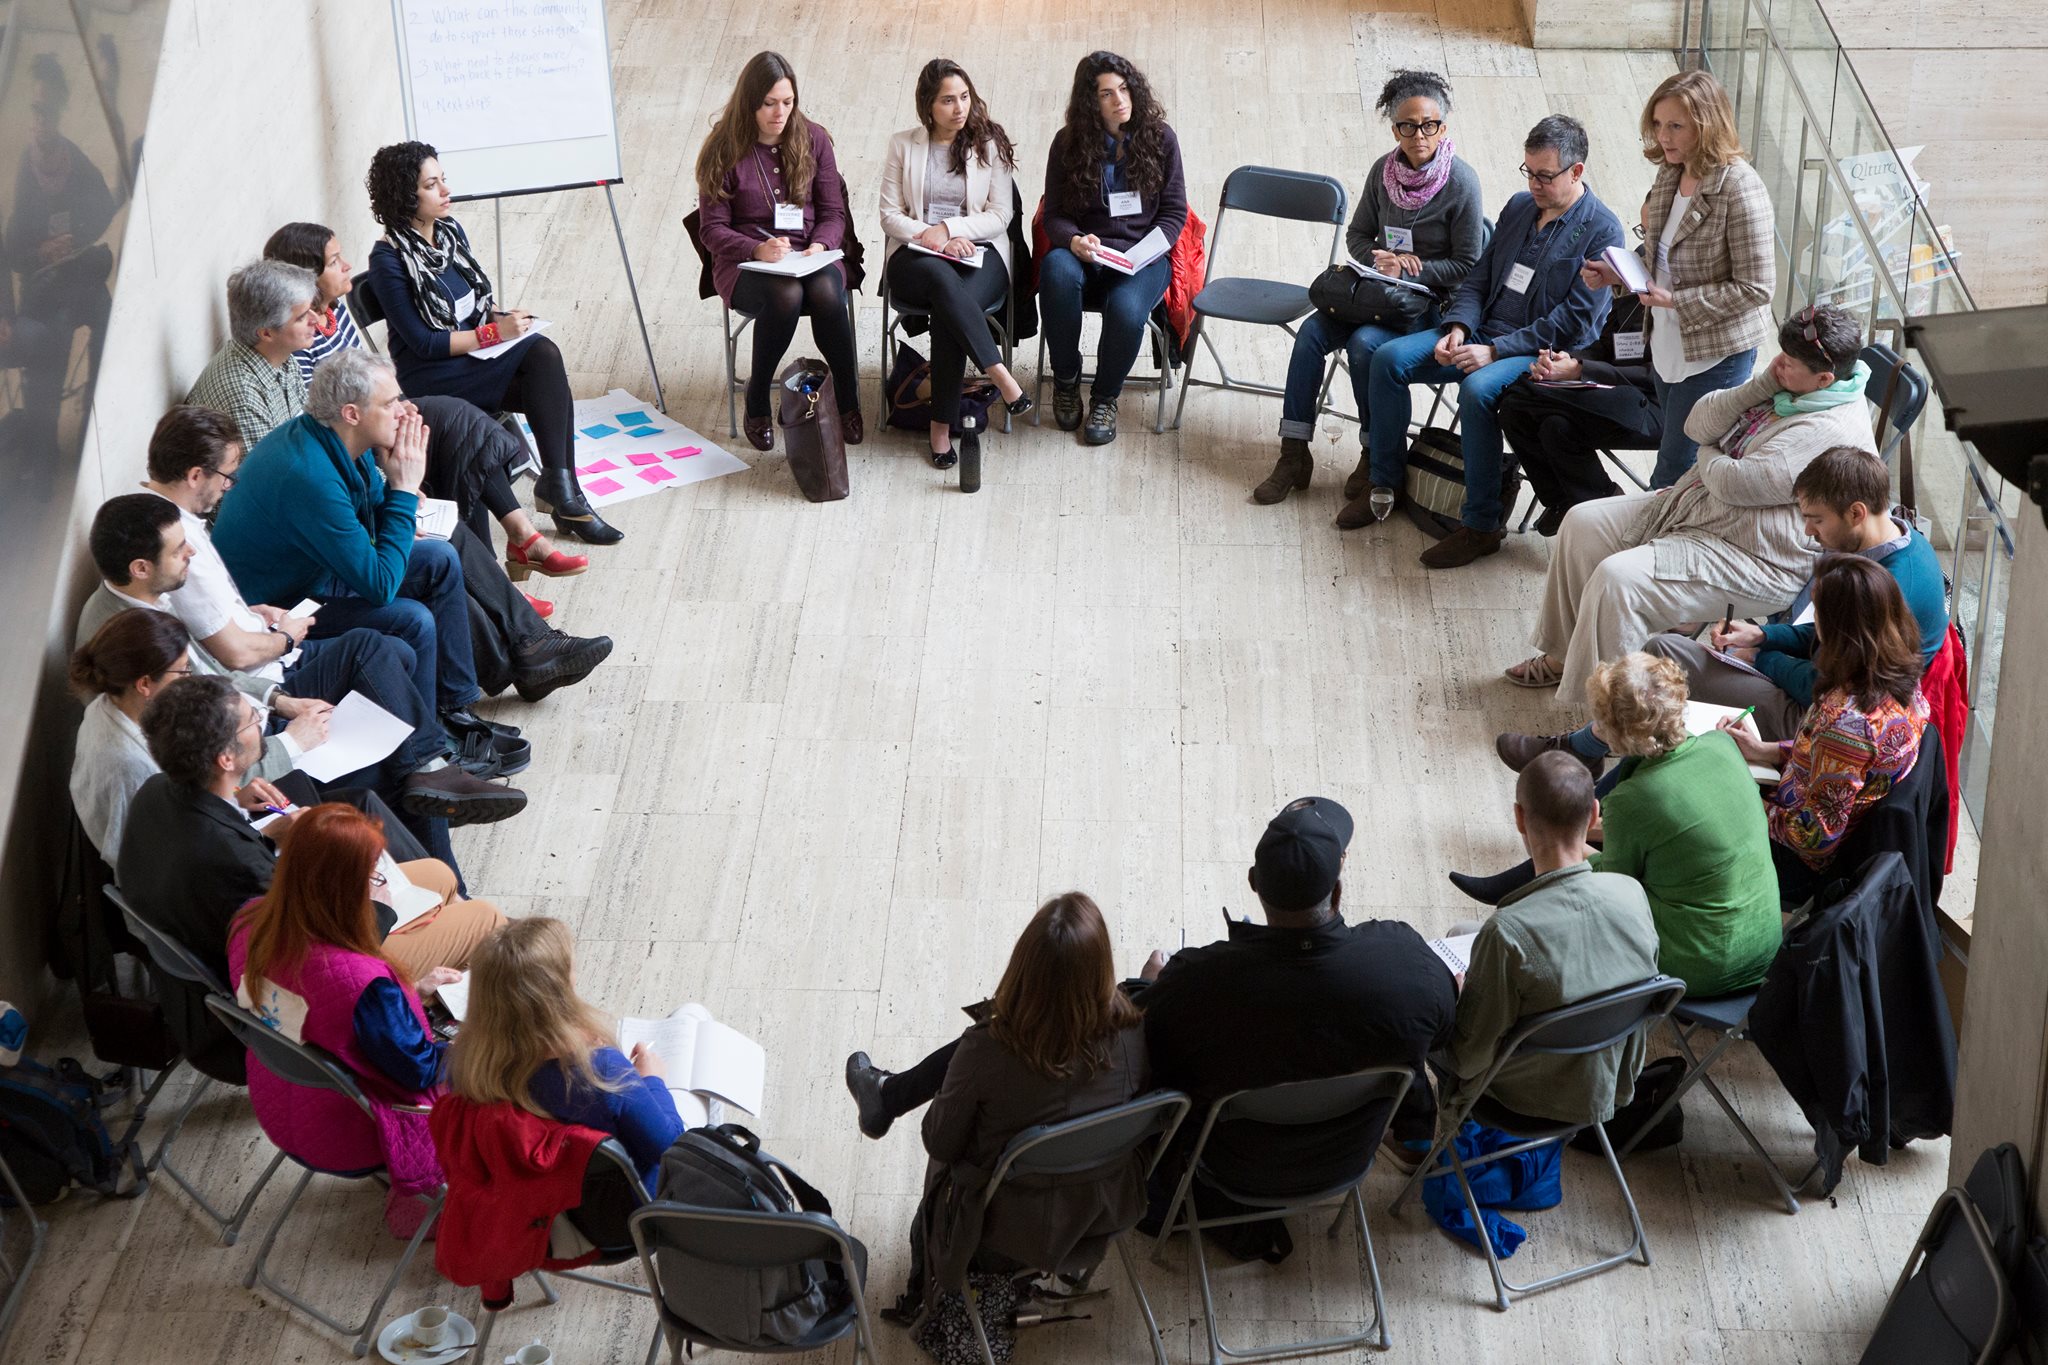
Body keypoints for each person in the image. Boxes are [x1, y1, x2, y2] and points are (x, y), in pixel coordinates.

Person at [213, 351, 607, 754]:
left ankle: (476, 694)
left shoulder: (342, 440)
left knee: (440, 552)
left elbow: (370, 504)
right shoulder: (308, 475)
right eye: (391, 403)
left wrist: (398, 498)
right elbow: (380, 585)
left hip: (316, 573)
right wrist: (402, 490)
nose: (407, 410)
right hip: (282, 610)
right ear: (352, 413)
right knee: (412, 614)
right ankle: (437, 737)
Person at [121, 676, 505, 1083]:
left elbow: (216, 849)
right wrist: (375, 904)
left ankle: (444, 983)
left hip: (233, 962)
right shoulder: (236, 865)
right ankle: (477, 1035)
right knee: (485, 919)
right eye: (252, 719)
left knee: (438, 875)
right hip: (287, 997)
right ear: (225, 759)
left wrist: (256, 820)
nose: (261, 719)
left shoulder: (156, 792)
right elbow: (324, 955)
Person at [82, 490, 522, 829]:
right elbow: (215, 766)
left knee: (389, 650)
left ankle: (431, 766)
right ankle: (430, 776)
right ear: (140, 567)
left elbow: (214, 677)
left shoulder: (149, 604)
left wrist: (278, 699)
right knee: (392, 674)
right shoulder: (133, 643)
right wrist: (292, 737)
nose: (192, 554)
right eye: (179, 550)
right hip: (251, 744)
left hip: (256, 714)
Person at [1498, 445, 1948, 771]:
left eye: (1816, 520)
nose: (1807, 532)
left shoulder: (1893, 585)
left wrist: (1763, 658)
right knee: (1660, 650)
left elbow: (1834, 689)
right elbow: (1829, 636)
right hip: (1822, 685)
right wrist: (1763, 636)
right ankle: (1596, 751)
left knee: (1659, 673)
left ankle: (1590, 757)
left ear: (1855, 512)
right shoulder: (1881, 547)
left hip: (1822, 720)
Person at [1509, 303, 1875, 700]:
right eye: (1780, 355)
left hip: (1761, 555)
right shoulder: (1788, 389)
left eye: (1788, 363)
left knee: (1619, 581)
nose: (1777, 365)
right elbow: (1696, 425)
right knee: (1582, 522)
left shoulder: (1826, 428)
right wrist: (1757, 388)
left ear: (1824, 378)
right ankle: (1567, 658)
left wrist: (1708, 452)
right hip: (1707, 511)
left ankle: (1612, 723)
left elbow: (1734, 483)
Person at [1140, 798, 1455, 1208]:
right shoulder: (1408, 964)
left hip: (1232, 1169)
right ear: (1337, 891)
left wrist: (1146, 990)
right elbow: (1444, 1033)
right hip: (1348, 1162)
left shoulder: (1194, 983)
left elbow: (1147, 1055)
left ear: (1254, 881)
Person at [843, 893, 1149, 1312]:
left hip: (1004, 1233)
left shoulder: (987, 1051)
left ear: (1023, 967)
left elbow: (940, 1142)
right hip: (1104, 1212)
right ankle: (886, 1095)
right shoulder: (1134, 1036)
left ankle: (886, 1097)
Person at [1356, 116, 1625, 567]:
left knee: (1479, 390)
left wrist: (1496, 351)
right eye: (1528, 171)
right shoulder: (1520, 207)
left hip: (1536, 353)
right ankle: (1385, 482)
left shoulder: (1602, 230)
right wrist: (1459, 327)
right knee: (1387, 358)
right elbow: (1478, 278)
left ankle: (1479, 525)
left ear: (1576, 172)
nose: (1534, 184)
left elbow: (1575, 322)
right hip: (1478, 334)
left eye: (1545, 175)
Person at [263, 221, 587, 587]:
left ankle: (522, 539)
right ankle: (505, 570)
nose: (347, 265)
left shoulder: (333, 314)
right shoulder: (306, 335)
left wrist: (399, 405)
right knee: (459, 434)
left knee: (467, 425)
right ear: (307, 276)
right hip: (363, 434)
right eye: (335, 261)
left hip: (381, 411)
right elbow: (327, 416)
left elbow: (368, 374)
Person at [1452, 654, 1781, 999]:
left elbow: (1611, 891)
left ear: (1612, 729)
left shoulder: (1635, 799)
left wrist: (1554, 836)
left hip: (1699, 963)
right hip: (1763, 944)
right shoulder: (1722, 745)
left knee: (1568, 881)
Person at [364, 140, 622, 545]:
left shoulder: (449, 232)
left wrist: (501, 318)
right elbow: (424, 343)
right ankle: (563, 496)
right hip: (433, 374)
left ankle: (562, 487)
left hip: (475, 359)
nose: (446, 191)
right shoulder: (388, 259)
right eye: (432, 185)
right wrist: (493, 335)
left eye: (442, 180)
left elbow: (475, 303)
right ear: (405, 194)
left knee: (544, 361)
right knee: (544, 366)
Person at [228, 803, 456, 1234]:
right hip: (351, 1132)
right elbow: (419, 1070)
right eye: (373, 876)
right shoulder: (365, 985)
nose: (379, 887)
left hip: (281, 1095)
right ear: (344, 889)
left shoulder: (248, 923)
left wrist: (409, 996)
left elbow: (319, 1015)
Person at [1259, 70, 1483, 507]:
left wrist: (1412, 272)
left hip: (1426, 305)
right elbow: (1357, 235)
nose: (1419, 134)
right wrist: (1380, 259)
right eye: (1407, 125)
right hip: (1377, 290)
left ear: (1443, 127)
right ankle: (1293, 452)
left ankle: (1370, 451)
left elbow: (1469, 265)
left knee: (1364, 344)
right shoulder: (1384, 170)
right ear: (1394, 127)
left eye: (1429, 124)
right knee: (1309, 335)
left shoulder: (1462, 183)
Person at [1579, 71, 1774, 489]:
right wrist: (1618, 274)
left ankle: (1647, 549)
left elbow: (1757, 288)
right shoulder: (1672, 172)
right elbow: (1660, 256)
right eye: (1657, 124)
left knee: (1672, 472)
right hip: (1666, 344)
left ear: (1706, 124)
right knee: (1677, 461)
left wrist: (1678, 301)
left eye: (1675, 126)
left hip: (1713, 354)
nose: (1662, 136)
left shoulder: (1741, 189)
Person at [1443, 752, 1661, 1124]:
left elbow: (1467, 1059)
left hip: (1519, 1099)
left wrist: (1457, 1000)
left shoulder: (1507, 932)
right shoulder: (1632, 893)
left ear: (1519, 818)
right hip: (1607, 1084)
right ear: (1594, 814)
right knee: (1464, 933)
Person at [1717, 554, 1929, 905]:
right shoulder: (1906, 687)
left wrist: (1741, 798)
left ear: (1838, 628)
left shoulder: (1846, 720)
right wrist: (1766, 750)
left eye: (1818, 612)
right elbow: (1839, 761)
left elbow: (1812, 838)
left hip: (1790, 863)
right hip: (1802, 819)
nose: (1814, 624)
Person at [694, 51, 861, 454]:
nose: (780, 112)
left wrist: (821, 244)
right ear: (750, 102)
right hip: (746, 263)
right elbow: (711, 230)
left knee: (823, 291)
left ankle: (848, 401)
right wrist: (755, 247)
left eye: (787, 102)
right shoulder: (723, 148)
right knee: (785, 296)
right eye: (769, 104)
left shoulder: (814, 138)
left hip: (808, 256)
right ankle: (757, 401)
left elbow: (833, 211)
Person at [447, 916, 684, 1194]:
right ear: (556, 989)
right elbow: (670, 1149)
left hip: (543, 1200)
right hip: (625, 1203)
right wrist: (652, 1079)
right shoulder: (601, 1070)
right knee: (690, 1019)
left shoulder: (467, 1064)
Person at [878, 58, 1035, 474]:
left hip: (979, 254)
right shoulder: (903, 144)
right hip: (915, 257)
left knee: (951, 302)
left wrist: (950, 228)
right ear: (928, 105)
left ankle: (940, 427)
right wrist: (929, 234)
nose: (959, 108)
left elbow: (1001, 215)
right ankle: (1001, 377)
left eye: (964, 97)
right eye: (947, 100)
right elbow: (889, 215)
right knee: (940, 281)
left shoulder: (989, 144)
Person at [1038, 51, 1189, 446]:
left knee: (1125, 309)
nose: (1120, 100)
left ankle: (1105, 397)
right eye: (1107, 94)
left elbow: (1174, 213)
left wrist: (1143, 252)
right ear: (1091, 102)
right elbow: (1053, 213)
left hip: (1143, 257)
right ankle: (1067, 379)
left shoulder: (1160, 138)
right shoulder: (1068, 144)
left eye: (1124, 89)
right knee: (1055, 269)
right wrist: (1074, 240)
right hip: (1087, 252)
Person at [1494, 286, 1659, 534]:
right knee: (1522, 414)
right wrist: (1568, 359)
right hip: (1610, 387)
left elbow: (1657, 376)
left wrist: (1581, 369)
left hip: (1658, 404)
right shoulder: (1638, 265)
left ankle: (1591, 510)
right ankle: (1573, 502)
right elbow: (1605, 346)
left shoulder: (1683, 289)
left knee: (1522, 397)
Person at [68, 608, 193, 860]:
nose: (188, 679)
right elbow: (157, 853)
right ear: (144, 684)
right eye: (182, 671)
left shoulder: (103, 705)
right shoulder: (130, 764)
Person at [183, 260, 319, 450]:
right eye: (301, 317)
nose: (316, 319)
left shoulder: (279, 356)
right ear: (266, 333)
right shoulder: (245, 399)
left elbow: (308, 426)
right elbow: (271, 475)